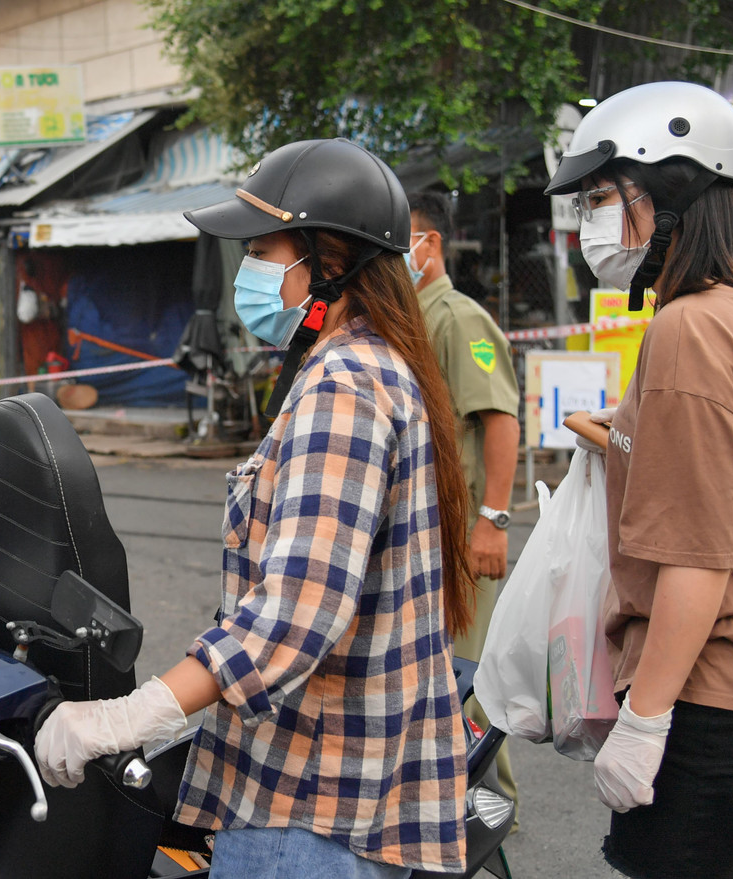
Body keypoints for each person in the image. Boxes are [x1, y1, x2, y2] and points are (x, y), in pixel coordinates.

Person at [34, 139, 476, 877]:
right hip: (335, 794)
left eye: (264, 248)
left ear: (327, 260)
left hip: (311, 806)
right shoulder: (370, 368)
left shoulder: (344, 385)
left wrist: (126, 715)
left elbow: (296, 615)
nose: (249, 270)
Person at [545, 80, 733, 879]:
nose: (590, 223)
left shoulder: (689, 329)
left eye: (600, 198)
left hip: (715, 709)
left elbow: (697, 556)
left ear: (668, 190)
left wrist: (646, 718)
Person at [404, 190, 521, 813]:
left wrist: (493, 522)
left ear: (430, 244)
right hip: (422, 532)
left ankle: (491, 809)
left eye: (402, 241)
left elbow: (501, 420)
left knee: (467, 680)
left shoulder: (457, 319)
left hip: (460, 532)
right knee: (438, 677)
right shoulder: (408, 316)